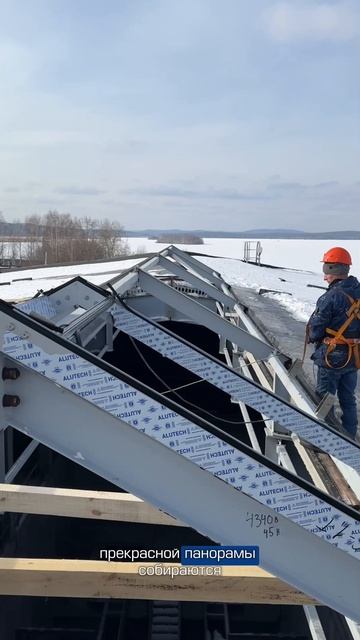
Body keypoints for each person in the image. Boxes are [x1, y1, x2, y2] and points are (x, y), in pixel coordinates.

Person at [307, 247, 360, 438]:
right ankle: (350, 435)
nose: (325, 277)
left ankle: (326, 437)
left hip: (332, 356)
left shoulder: (331, 296)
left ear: (332, 269)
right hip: (354, 355)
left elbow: (316, 328)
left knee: (324, 398)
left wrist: (314, 338)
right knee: (348, 398)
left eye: (326, 271)